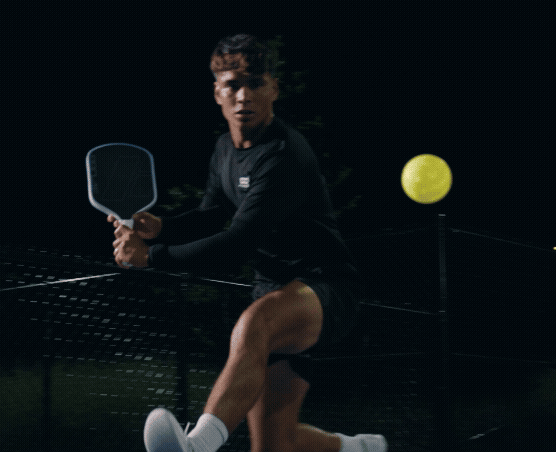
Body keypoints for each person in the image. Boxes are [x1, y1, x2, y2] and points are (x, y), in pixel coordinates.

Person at [108, 34, 387, 452]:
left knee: (256, 323)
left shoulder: (284, 155)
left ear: (274, 88)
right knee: (275, 445)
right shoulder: (224, 149)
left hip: (327, 287)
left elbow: (237, 243)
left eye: (255, 83)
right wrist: (161, 227)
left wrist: (151, 257)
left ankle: (197, 445)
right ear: (217, 92)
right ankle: (360, 449)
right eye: (233, 85)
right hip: (273, 291)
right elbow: (211, 215)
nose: (244, 96)